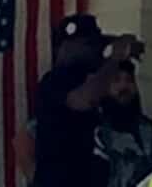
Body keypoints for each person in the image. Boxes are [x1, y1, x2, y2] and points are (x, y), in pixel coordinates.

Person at [33, 13, 141, 187]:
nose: (94, 50)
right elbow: (83, 99)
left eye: (95, 44)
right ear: (64, 47)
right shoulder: (54, 82)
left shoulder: (98, 78)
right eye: (88, 45)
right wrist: (115, 58)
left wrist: (124, 47)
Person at [99, 60, 152, 187]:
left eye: (129, 80)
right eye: (117, 80)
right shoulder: (99, 133)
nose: (124, 86)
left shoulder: (148, 129)